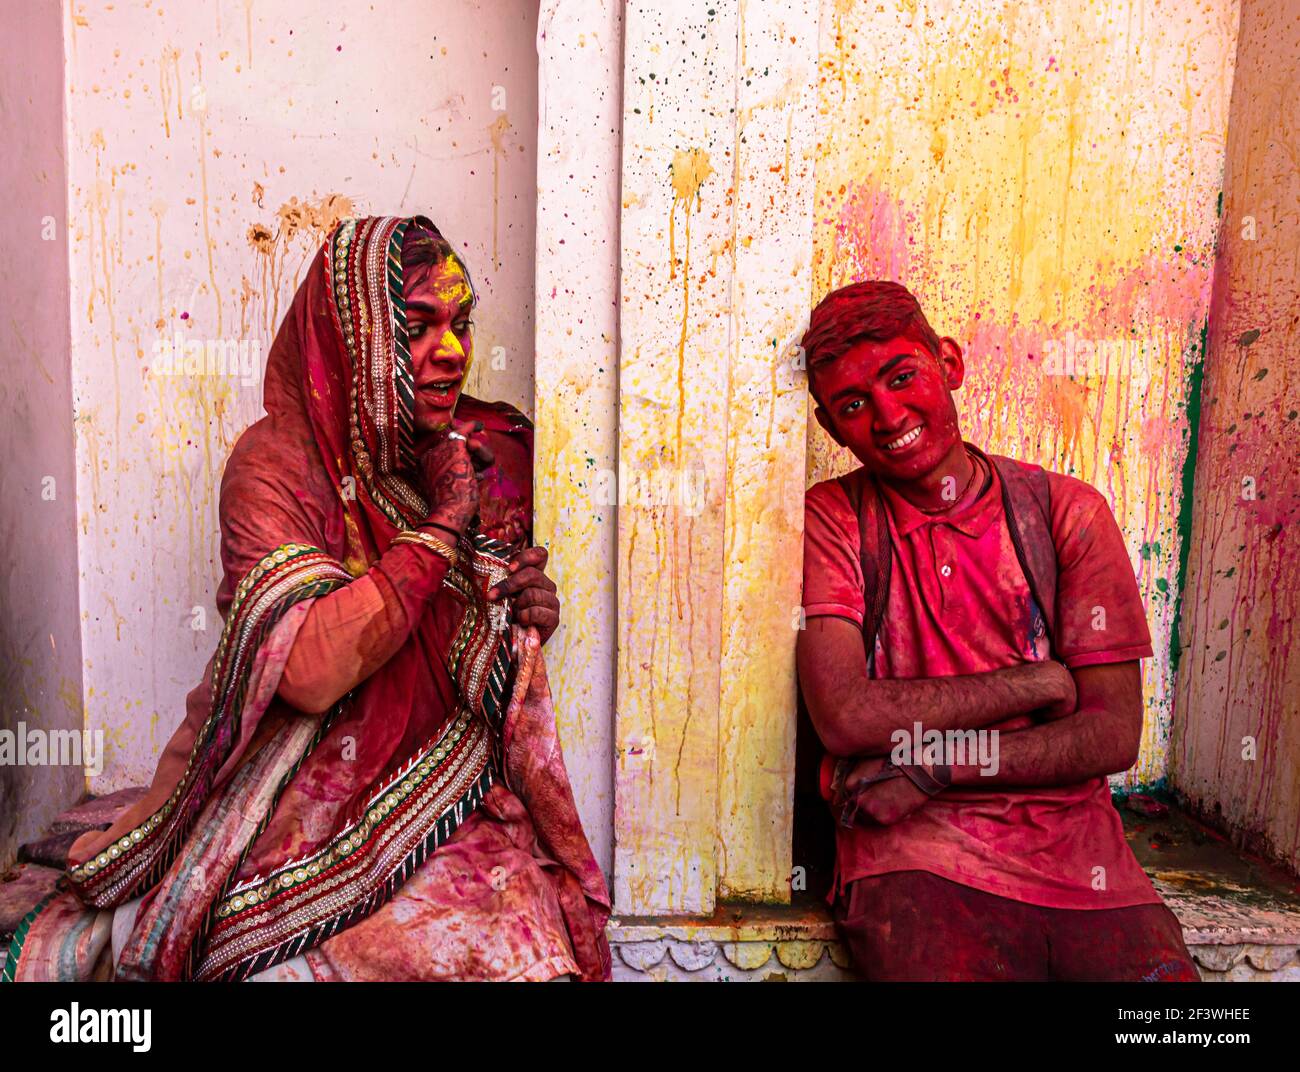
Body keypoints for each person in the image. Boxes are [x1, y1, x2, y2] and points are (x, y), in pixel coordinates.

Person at [5, 215, 609, 982]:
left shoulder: (485, 450)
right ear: (355, 338)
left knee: (520, 946)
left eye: (460, 325)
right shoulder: (277, 466)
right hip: (281, 782)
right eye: (418, 327)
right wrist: (444, 523)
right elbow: (309, 671)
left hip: (436, 789)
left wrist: (522, 614)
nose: (453, 352)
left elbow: (472, 646)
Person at [796, 280, 1198, 982]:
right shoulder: (836, 519)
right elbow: (846, 716)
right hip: (918, 858)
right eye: (854, 407)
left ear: (949, 364)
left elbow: (1111, 734)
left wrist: (936, 762)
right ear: (832, 430)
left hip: (1082, 861)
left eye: (903, 377)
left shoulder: (1065, 513)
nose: (888, 417)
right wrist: (1033, 684)